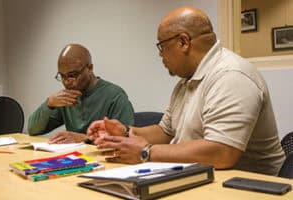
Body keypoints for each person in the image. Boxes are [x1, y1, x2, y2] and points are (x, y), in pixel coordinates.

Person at [87, 6, 285, 176]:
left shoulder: (232, 76)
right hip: (201, 178)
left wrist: (146, 152)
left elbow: (222, 152)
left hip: (248, 188)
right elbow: (165, 131)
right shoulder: (187, 81)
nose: (160, 54)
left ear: (183, 42)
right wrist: (125, 132)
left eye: (162, 46)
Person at [28, 43, 134, 144]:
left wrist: (85, 139)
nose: (67, 82)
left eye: (73, 75)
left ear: (90, 68)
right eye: (62, 76)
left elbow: (126, 140)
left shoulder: (115, 95)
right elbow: (33, 129)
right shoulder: (67, 98)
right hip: (74, 158)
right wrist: (49, 104)